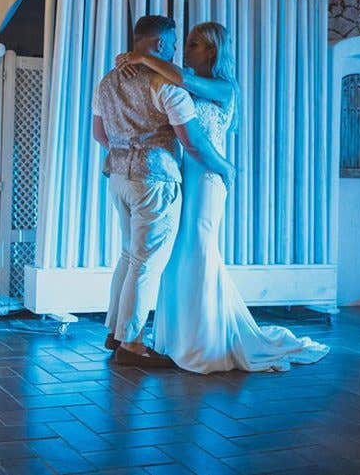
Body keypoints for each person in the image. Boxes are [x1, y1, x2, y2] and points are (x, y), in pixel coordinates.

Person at [115, 22, 329, 373]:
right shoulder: (178, 81)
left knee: (199, 250)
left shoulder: (225, 88)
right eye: (186, 43)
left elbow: (184, 80)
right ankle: (178, 337)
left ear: (212, 50)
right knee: (176, 255)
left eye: (194, 44)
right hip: (183, 174)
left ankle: (206, 341)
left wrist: (141, 55)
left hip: (209, 178)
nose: (186, 49)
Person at [92, 15, 234, 367]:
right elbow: (191, 140)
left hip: (118, 178)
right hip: (155, 178)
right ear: (158, 44)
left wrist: (125, 148)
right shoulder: (164, 83)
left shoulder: (108, 81)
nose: (176, 51)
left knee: (128, 256)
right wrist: (225, 167)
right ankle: (133, 344)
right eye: (173, 44)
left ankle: (116, 332)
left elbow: (99, 135)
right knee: (146, 263)